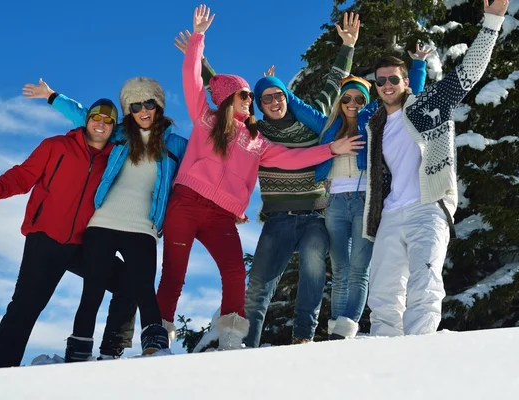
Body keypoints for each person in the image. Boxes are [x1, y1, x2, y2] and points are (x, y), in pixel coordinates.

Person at [155, 4, 365, 351]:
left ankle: (235, 340)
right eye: (249, 96)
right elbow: (196, 81)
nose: (253, 100)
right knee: (175, 273)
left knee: (236, 274)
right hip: (188, 203)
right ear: (228, 100)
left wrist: (332, 149)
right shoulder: (206, 120)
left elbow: (295, 156)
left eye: (259, 96)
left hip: (225, 214)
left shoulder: (259, 140)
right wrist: (198, 39)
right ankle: (158, 336)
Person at [363, 0, 508, 336]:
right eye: (381, 80)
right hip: (389, 215)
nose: (387, 85)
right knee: (383, 295)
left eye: (393, 79)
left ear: (404, 80)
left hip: (427, 209)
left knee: (424, 286)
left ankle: (419, 360)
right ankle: (378, 366)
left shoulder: (430, 103)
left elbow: (468, 73)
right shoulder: (375, 124)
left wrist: (492, 23)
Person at [23, 77, 187, 358]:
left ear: (158, 106)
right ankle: (79, 350)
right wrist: (52, 96)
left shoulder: (177, 145)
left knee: (144, 289)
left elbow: (201, 170)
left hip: (143, 228)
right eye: (135, 106)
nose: (143, 110)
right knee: (93, 290)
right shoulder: (120, 134)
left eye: (149, 103)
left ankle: (150, 347)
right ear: (129, 111)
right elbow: (84, 116)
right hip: (103, 224)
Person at [288, 45, 432, 339]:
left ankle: (347, 328)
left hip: (367, 199)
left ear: (366, 100)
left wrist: (417, 66)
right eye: (347, 98)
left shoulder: (373, 119)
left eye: (359, 98)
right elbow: (300, 109)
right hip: (336, 203)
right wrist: (276, 88)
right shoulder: (329, 125)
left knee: (358, 268)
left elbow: (410, 97)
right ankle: (335, 330)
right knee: (340, 268)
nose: (352, 103)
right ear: (340, 101)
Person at [0, 98, 118, 368]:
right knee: (25, 307)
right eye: (97, 117)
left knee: (129, 282)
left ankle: (111, 352)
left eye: (108, 121)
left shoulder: (113, 160)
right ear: (87, 120)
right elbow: (22, 175)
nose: (101, 124)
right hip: (46, 238)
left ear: (113, 128)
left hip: (83, 244)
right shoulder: (56, 146)